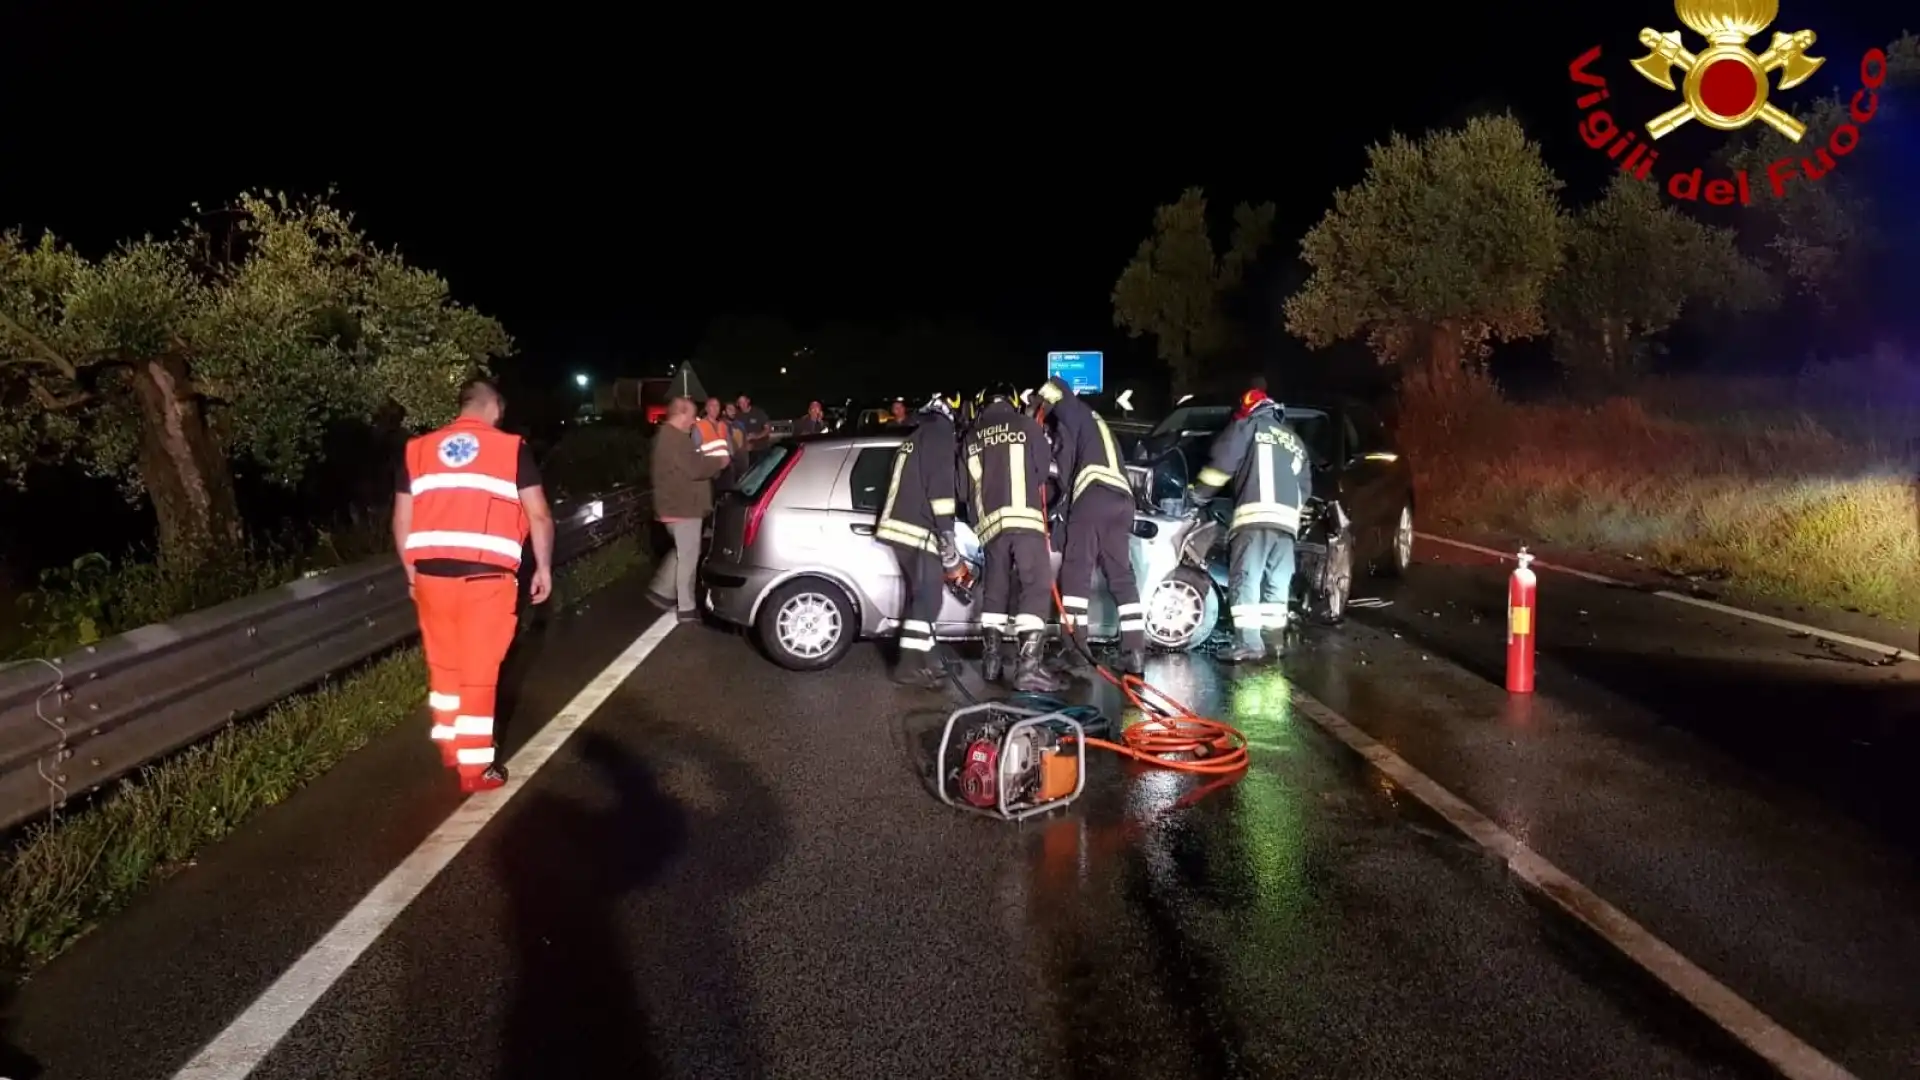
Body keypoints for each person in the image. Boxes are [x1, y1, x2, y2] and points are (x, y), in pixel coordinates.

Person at [392, 377, 554, 792]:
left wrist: (411, 571)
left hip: (430, 577)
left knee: (444, 667)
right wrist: (544, 568)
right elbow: (538, 515)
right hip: (486, 579)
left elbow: (402, 518)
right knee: (480, 673)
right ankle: (476, 767)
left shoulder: (419, 449)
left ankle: (450, 747)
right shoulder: (510, 448)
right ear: (495, 408)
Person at [1189, 386, 1310, 663]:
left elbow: (1222, 464)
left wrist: (1197, 494)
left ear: (1249, 409)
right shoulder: (1294, 440)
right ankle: (1273, 641)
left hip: (1254, 520)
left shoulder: (1248, 427)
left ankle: (1248, 643)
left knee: (1246, 578)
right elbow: (1303, 487)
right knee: (1277, 582)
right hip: (1287, 526)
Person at [1035, 375, 1145, 676]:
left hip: (1093, 496)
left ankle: (1076, 651)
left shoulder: (1075, 411)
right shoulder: (1097, 425)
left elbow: (1066, 480)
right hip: (1122, 501)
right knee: (1121, 575)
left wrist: (1041, 405)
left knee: (1075, 572)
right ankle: (1134, 652)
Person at [964, 383, 1065, 691]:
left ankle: (992, 661)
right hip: (1025, 521)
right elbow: (1041, 472)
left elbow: (962, 487)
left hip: (990, 528)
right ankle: (1029, 668)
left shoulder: (971, 436)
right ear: (1011, 401)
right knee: (1035, 586)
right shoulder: (1026, 426)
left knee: (995, 589)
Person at [874, 393, 962, 688]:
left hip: (898, 526)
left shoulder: (915, 435)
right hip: (916, 529)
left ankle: (927, 660)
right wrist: (947, 532)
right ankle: (908, 665)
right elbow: (940, 485)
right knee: (928, 597)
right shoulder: (940, 434)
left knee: (922, 597)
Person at [650, 396, 730, 625]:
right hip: (682, 507)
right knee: (688, 557)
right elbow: (694, 468)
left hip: (676, 505)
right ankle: (686, 609)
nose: (694, 421)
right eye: (692, 415)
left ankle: (661, 591)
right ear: (681, 413)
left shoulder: (670, 437)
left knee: (682, 551)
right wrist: (719, 463)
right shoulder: (674, 439)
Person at [696, 397, 735, 492]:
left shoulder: (723, 425)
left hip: (725, 470)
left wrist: (730, 460)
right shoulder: (699, 426)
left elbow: (730, 447)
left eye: (717, 405)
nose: (715, 408)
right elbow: (695, 450)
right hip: (710, 471)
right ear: (706, 408)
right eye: (711, 405)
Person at [735, 394, 771, 458]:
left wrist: (757, 436)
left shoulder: (758, 412)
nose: (743, 404)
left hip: (762, 449)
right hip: (747, 452)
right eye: (740, 402)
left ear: (748, 400)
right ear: (737, 404)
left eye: (744, 401)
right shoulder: (737, 416)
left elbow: (768, 429)